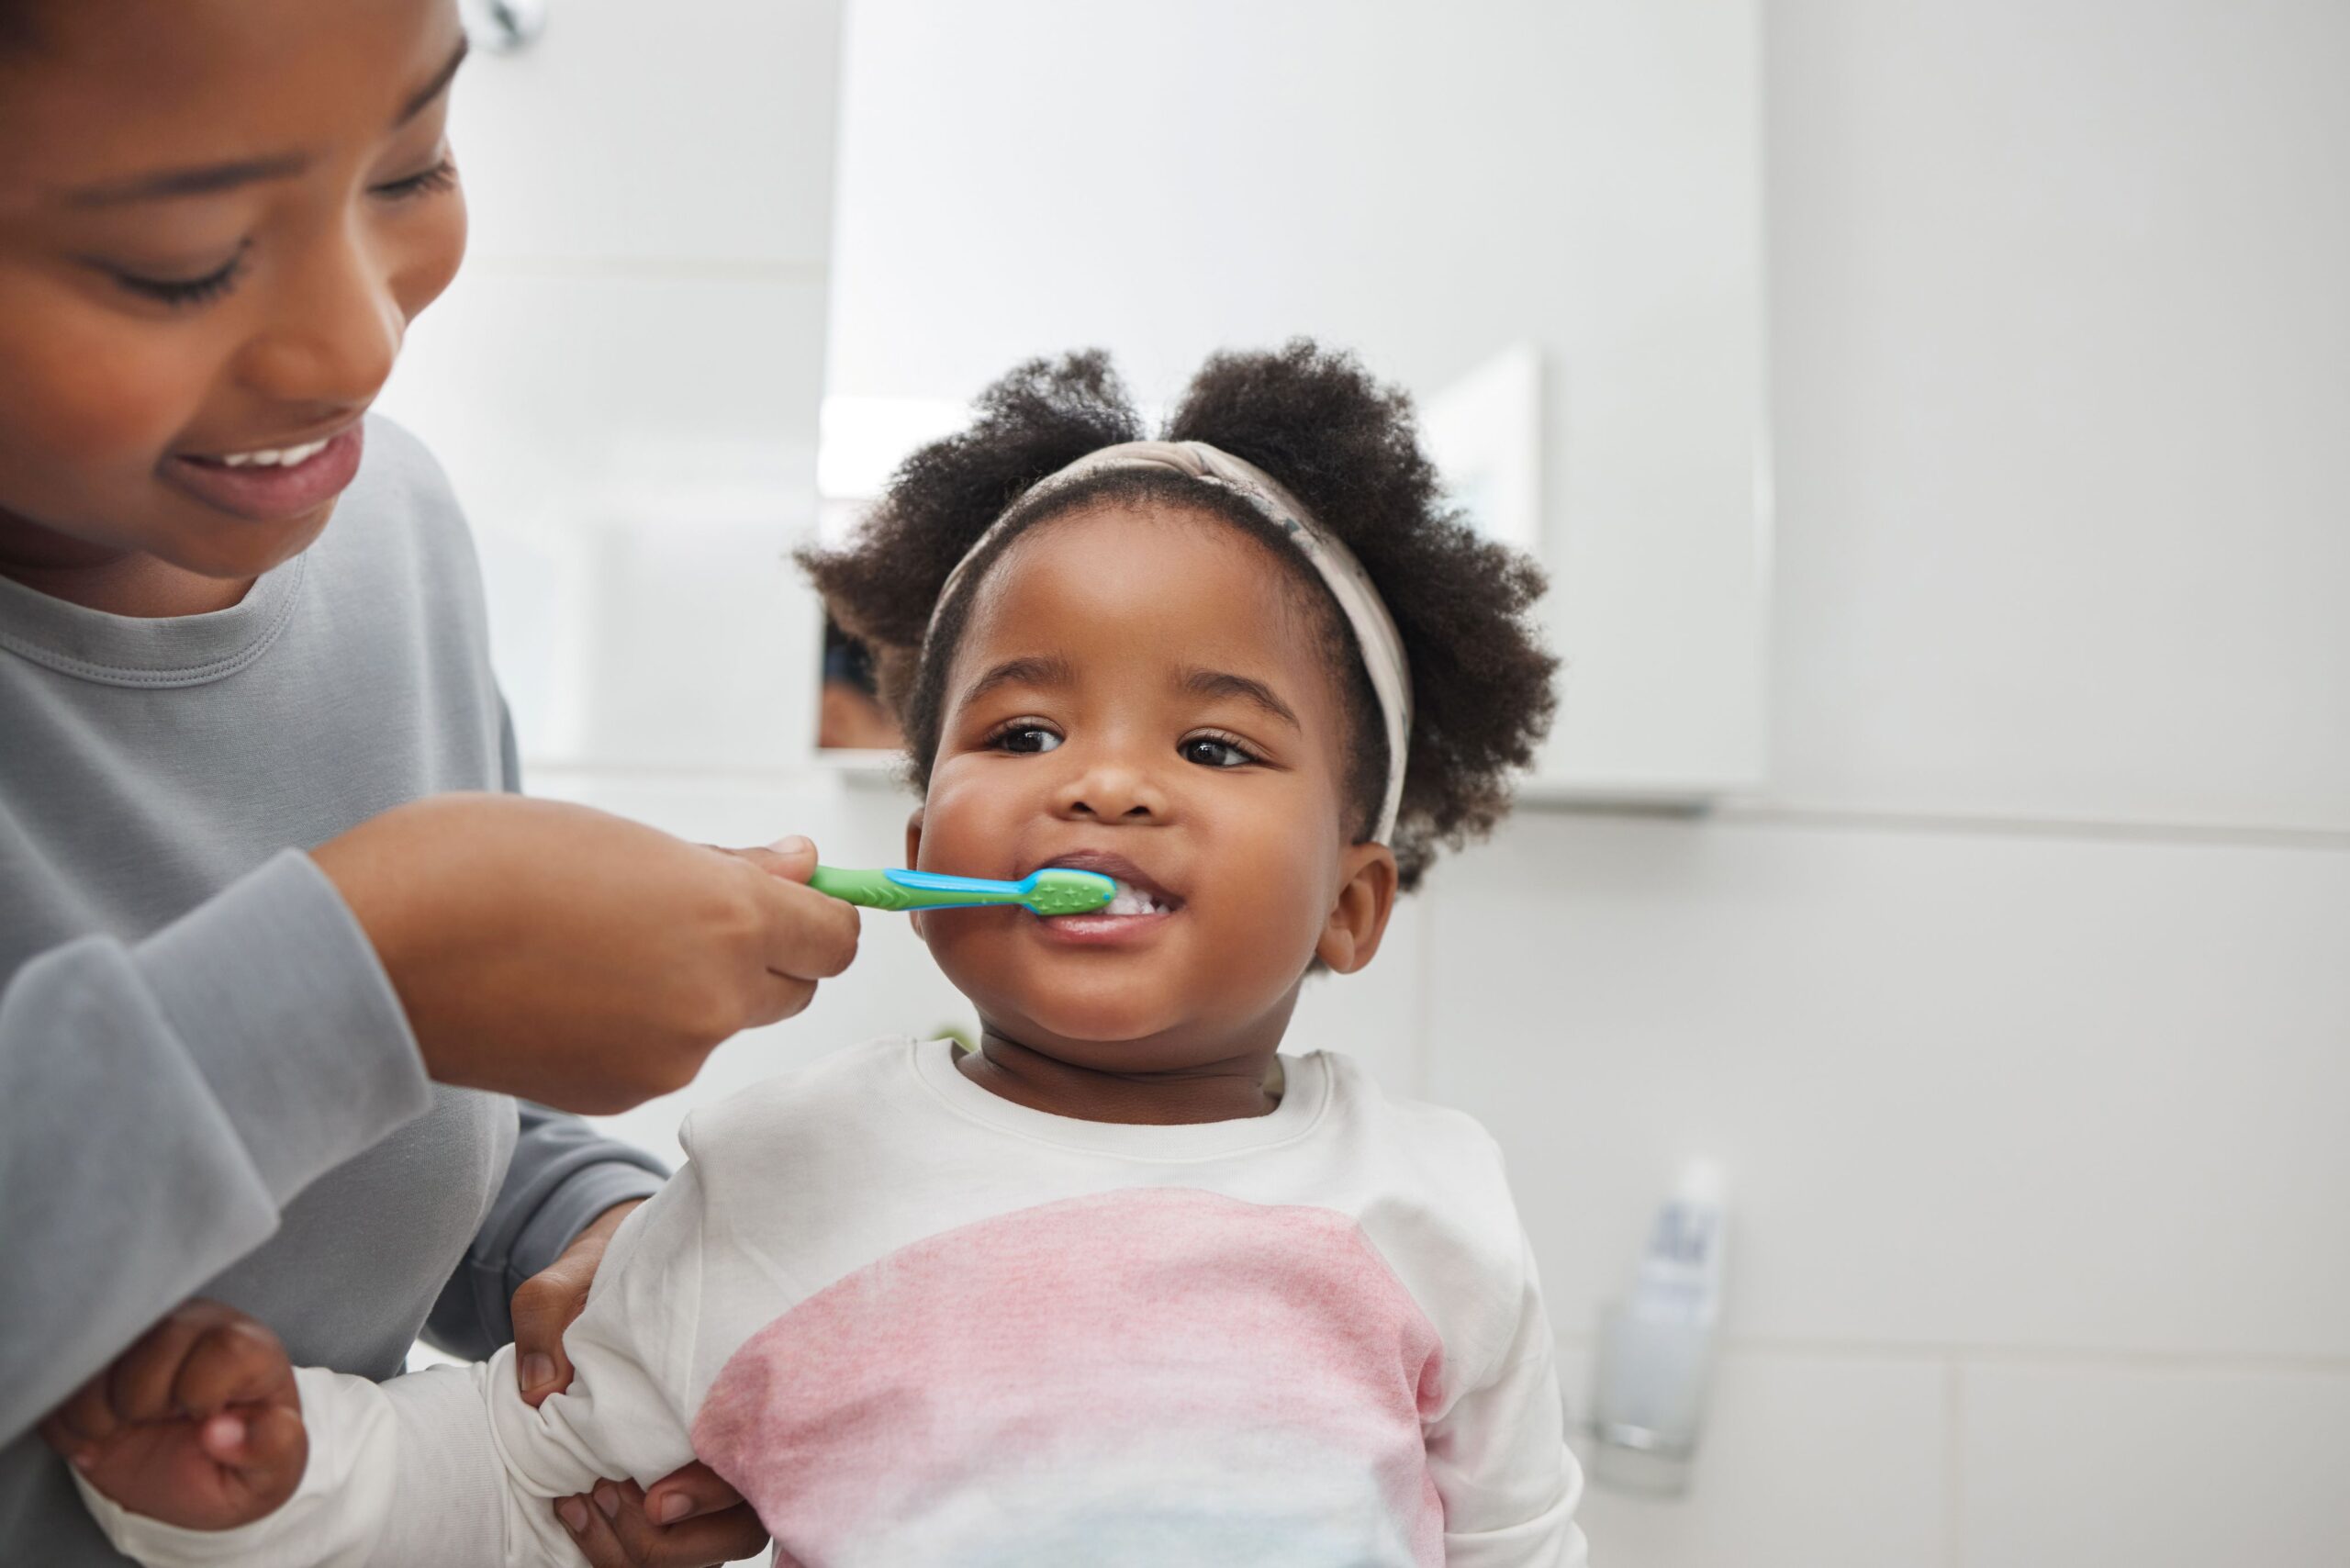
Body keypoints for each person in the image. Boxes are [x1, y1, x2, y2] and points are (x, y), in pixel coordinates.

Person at [59, 343, 1586, 1565]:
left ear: (1353, 905)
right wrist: (259, 1478)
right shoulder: (782, 1179)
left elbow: (1518, 1542)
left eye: (1208, 742)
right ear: (923, 845)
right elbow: (514, 1485)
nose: (1105, 784)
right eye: (1026, 730)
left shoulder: (1433, 1209)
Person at [0, 2, 858, 1562]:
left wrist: (587, 1237)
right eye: (183, 257)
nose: (361, 347)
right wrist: (366, 970)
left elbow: (429, 1122)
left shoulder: (389, 524)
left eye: (411, 166)